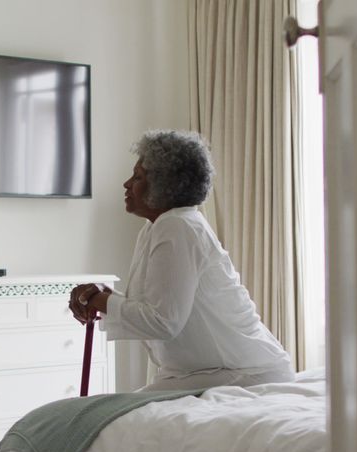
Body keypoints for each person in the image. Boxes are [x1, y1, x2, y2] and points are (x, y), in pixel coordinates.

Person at [68, 130, 293, 391]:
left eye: (138, 177)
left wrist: (100, 300)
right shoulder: (157, 227)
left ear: (164, 185)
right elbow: (156, 307)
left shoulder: (177, 227)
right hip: (208, 373)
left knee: (117, 415)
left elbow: (163, 322)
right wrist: (103, 297)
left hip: (242, 374)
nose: (127, 184)